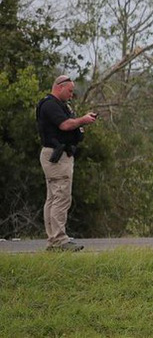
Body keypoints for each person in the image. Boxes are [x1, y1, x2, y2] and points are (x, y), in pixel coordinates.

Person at [36, 75, 97, 251]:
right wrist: (83, 120)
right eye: (69, 91)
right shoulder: (49, 104)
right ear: (59, 87)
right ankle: (59, 240)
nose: (71, 95)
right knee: (61, 197)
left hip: (60, 155)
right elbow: (64, 125)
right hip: (56, 156)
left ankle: (54, 239)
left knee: (53, 198)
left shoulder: (60, 105)